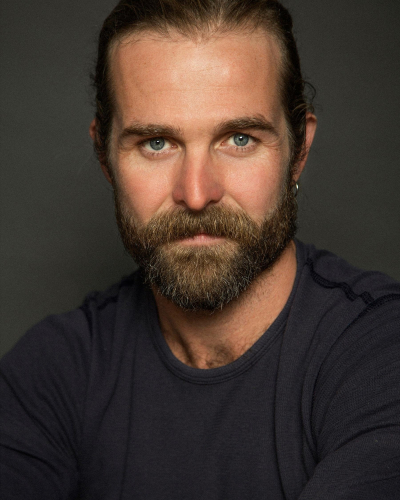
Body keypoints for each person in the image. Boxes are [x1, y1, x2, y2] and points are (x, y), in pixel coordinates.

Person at [1, 0, 399, 498]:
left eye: (239, 138)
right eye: (156, 143)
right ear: (105, 156)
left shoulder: (381, 356)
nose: (195, 194)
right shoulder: (53, 370)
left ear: (298, 151)